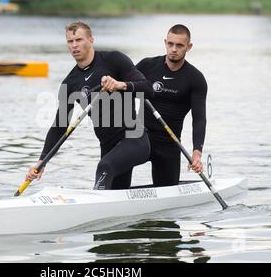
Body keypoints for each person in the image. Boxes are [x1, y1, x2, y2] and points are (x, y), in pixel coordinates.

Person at [26, 21, 153, 190]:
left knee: (104, 167)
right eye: (70, 42)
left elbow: (148, 88)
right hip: (108, 146)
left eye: (79, 40)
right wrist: (42, 161)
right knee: (115, 193)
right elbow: (60, 126)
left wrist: (120, 84)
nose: (74, 46)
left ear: (91, 40)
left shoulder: (114, 60)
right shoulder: (70, 83)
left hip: (134, 140)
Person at [136, 24, 208, 187]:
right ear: (165, 43)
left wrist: (197, 153)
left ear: (189, 47)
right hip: (139, 139)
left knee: (167, 190)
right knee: (115, 169)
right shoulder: (146, 66)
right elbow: (123, 89)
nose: (173, 49)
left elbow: (199, 119)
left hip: (169, 144)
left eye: (179, 45)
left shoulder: (195, 79)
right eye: (170, 44)